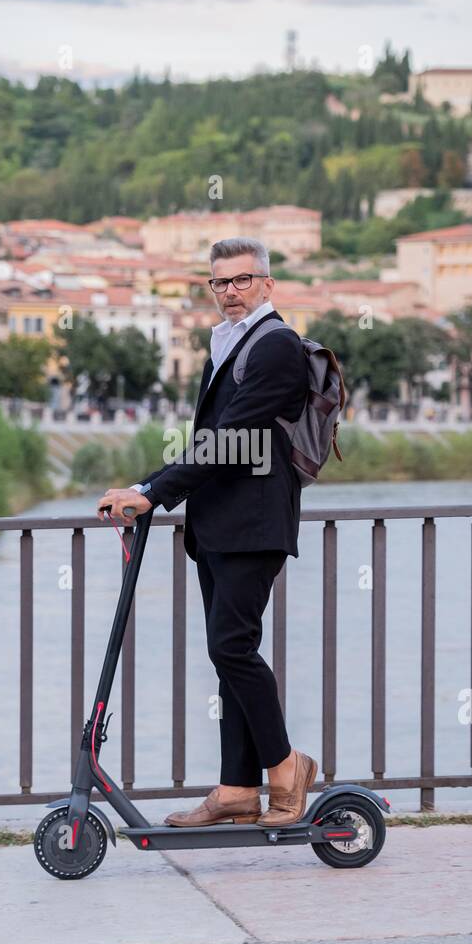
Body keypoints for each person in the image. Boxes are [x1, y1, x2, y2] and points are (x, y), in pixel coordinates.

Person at [98, 236, 317, 827]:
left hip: (253, 525)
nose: (229, 292)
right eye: (219, 282)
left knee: (231, 648)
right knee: (230, 657)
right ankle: (237, 790)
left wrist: (151, 493)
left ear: (268, 284)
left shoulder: (276, 347)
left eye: (242, 280)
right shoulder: (228, 342)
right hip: (220, 525)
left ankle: (286, 767)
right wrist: (145, 486)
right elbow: (209, 442)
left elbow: (228, 442)